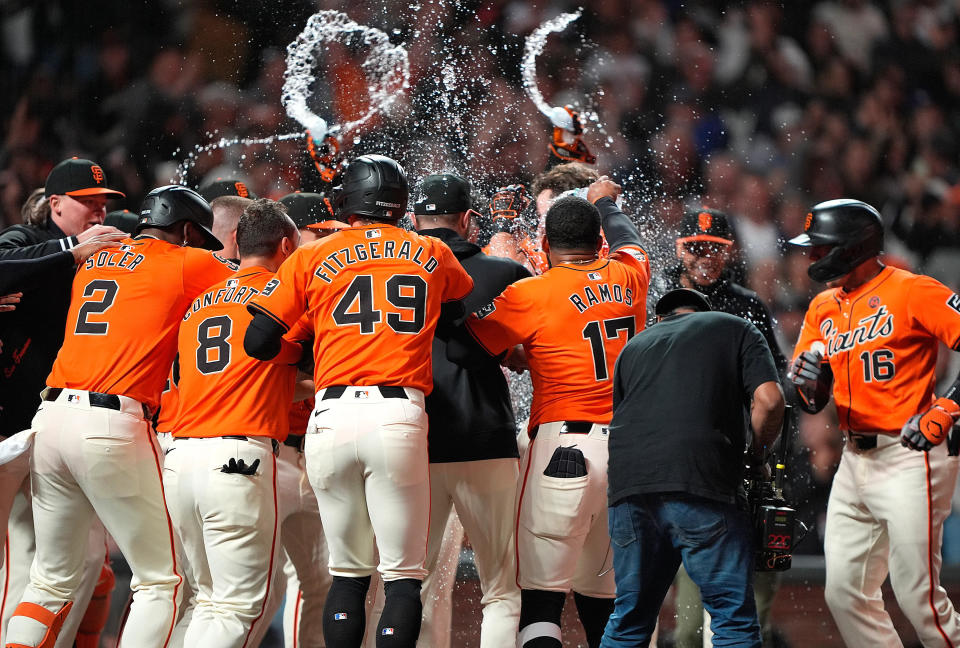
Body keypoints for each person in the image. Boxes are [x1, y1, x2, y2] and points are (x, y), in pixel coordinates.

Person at [244, 154, 474, 648]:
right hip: (398, 414)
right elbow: (459, 308)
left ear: (347, 201)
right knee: (402, 576)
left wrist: (305, 347)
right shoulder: (430, 249)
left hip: (330, 415)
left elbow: (258, 340)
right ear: (399, 204)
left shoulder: (311, 254)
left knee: (347, 576)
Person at [4, 184, 235, 648]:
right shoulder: (191, 262)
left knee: (48, 581)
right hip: (111, 423)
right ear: (187, 230)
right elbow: (253, 284)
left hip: (50, 420)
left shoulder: (96, 259)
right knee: (161, 581)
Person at [454, 180, 650, 648]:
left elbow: (469, 342)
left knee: (540, 601)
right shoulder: (631, 277)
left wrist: (515, 353)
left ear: (544, 244)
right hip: (624, 454)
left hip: (564, 449)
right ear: (598, 239)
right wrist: (604, 200)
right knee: (604, 600)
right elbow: (630, 242)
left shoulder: (534, 292)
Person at [788, 198, 960, 647]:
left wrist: (948, 407)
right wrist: (811, 384)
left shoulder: (912, 289)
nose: (810, 257)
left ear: (851, 248)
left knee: (918, 598)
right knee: (844, 592)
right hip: (853, 458)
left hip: (910, 455)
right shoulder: (823, 307)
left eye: (818, 248)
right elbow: (811, 399)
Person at [599, 288, 785, 648]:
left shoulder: (633, 347)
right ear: (703, 313)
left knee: (629, 620)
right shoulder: (735, 327)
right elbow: (771, 400)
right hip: (702, 484)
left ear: (661, 319)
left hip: (629, 489)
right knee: (732, 620)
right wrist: (756, 458)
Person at [0, 159, 127, 648]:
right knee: (25, 557)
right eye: (87, 202)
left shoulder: (105, 253)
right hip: (14, 425)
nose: (98, 213)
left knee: (87, 561)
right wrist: (71, 249)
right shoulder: (25, 239)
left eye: (103, 203)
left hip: (61, 425)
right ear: (54, 204)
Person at [163, 198, 301, 644]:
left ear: (238, 245)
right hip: (238, 458)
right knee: (236, 606)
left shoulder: (201, 300)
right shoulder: (283, 297)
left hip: (181, 456)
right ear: (285, 246)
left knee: (205, 599)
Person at [408, 173, 529, 647]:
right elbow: (527, 355)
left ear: (414, 221)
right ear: (468, 220)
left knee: (408, 583)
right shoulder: (505, 273)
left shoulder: (388, 274)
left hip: (416, 438)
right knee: (501, 589)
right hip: (487, 438)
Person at [661, 206, 786, 648]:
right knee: (691, 629)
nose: (705, 257)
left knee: (757, 606)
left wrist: (764, 457)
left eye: (715, 249)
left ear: (729, 253)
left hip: (741, 458)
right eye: (695, 247)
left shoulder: (747, 304)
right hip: (679, 464)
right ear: (679, 250)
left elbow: (774, 389)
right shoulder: (658, 298)